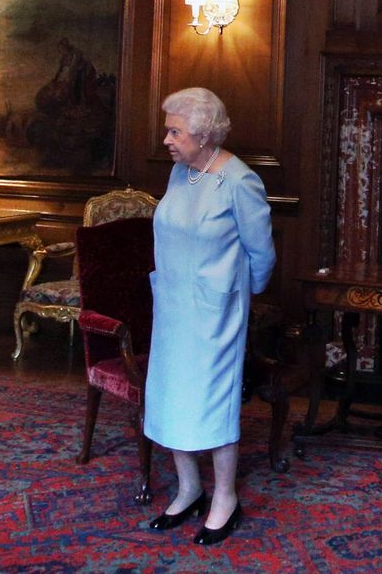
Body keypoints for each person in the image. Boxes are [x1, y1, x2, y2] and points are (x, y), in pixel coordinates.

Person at [143, 87, 275, 547]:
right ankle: (188, 488)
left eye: (175, 131)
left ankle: (225, 497)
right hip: (174, 305)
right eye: (168, 130)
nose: (167, 139)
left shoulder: (240, 181)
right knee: (171, 392)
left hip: (216, 315)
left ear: (202, 135)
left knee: (212, 401)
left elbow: (261, 253)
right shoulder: (182, 174)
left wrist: (241, 300)